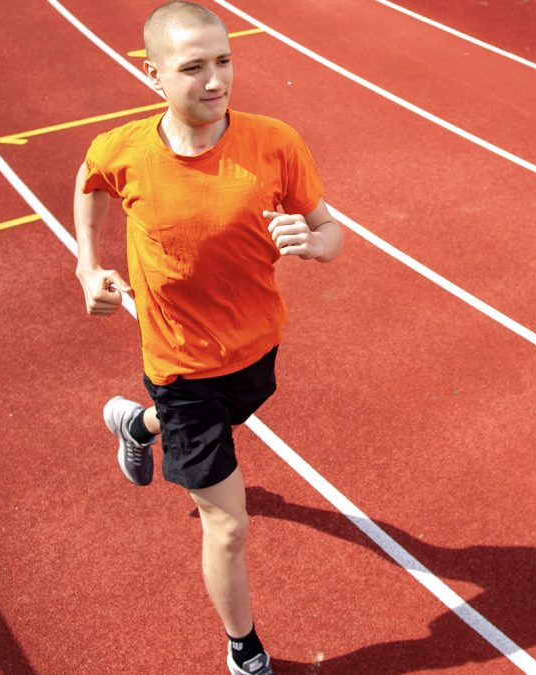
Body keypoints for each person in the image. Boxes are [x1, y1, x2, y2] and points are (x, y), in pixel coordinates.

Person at [73, 2, 342, 673]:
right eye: (193, 67)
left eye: (223, 61)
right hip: (180, 369)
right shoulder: (125, 152)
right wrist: (88, 261)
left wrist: (311, 243)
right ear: (153, 73)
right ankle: (243, 647)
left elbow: (333, 232)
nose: (215, 79)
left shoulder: (275, 143)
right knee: (229, 523)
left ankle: (139, 426)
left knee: (231, 418)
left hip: (255, 351)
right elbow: (89, 180)